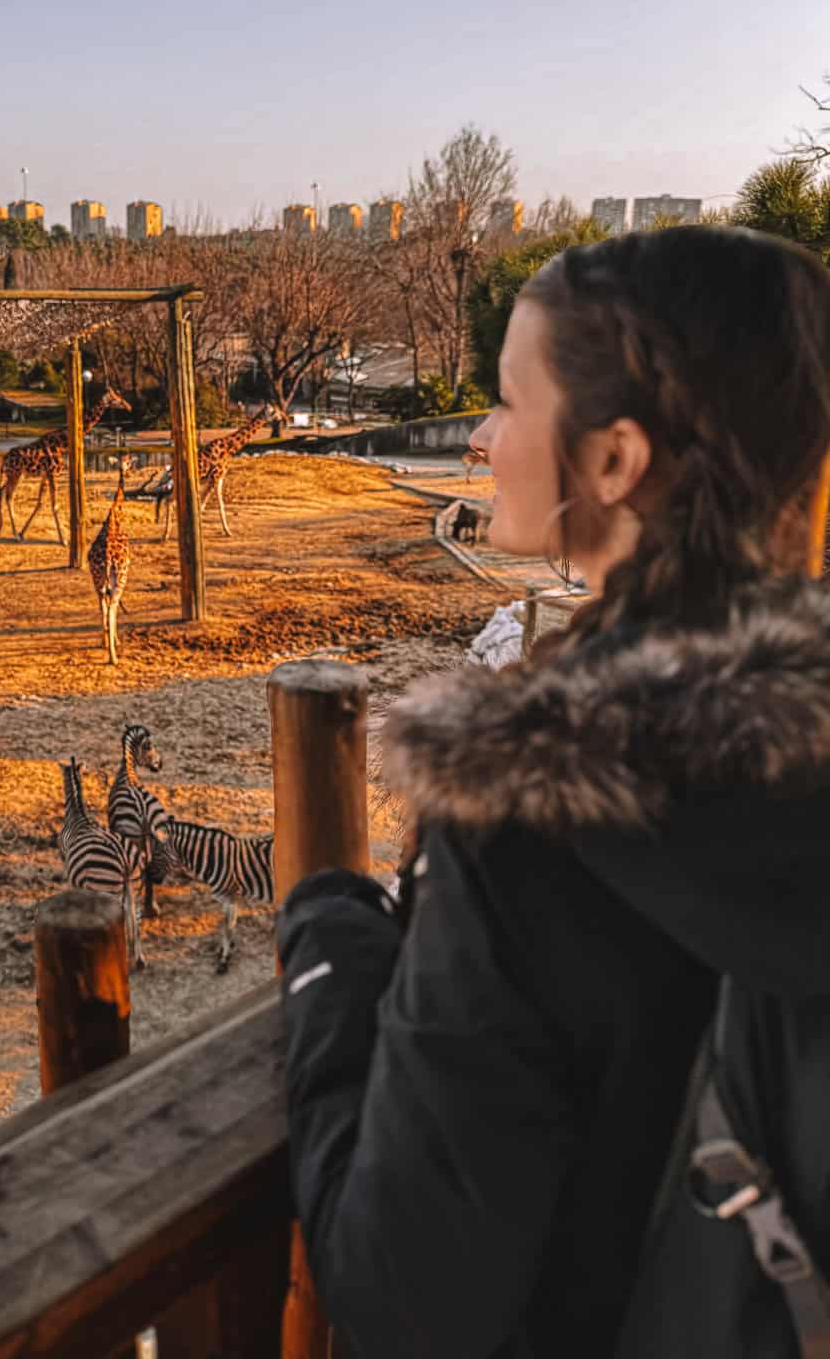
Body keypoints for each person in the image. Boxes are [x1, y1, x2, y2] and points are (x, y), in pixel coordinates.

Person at [278, 226, 830, 1358]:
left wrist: (331, 952)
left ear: (615, 461)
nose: (481, 436)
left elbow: (405, 1297)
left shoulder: (530, 822)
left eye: (509, 400)